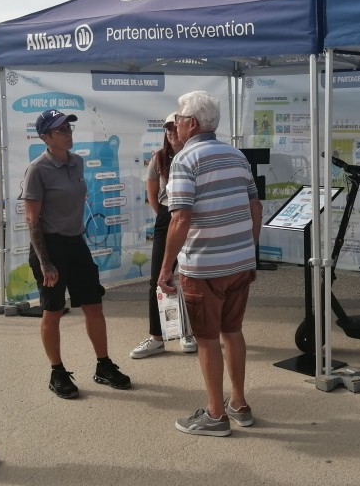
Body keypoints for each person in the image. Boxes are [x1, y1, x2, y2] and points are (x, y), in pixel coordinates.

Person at [157, 90, 262, 437]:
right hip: (240, 262)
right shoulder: (236, 155)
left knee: (206, 339)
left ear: (191, 123)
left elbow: (180, 218)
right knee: (233, 331)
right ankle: (239, 403)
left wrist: (165, 268)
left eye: (177, 119)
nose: (175, 125)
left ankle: (216, 415)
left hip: (204, 267)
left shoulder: (185, 160)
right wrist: (249, 250)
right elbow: (255, 207)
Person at [23, 108, 131, 399]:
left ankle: (103, 365)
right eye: (60, 130)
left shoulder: (78, 162)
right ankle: (57, 371)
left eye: (69, 128)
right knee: (53, 310)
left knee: (93, 306)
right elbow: (32, 219)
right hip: (49, 247)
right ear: (45, 137)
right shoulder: (37, 169)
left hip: (76, 243)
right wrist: (45, 262)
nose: (68, 133)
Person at [129, 113, 197, 359]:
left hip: (192, 217)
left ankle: (188, 332)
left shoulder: (194, 154)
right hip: (168, 217)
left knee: (190, 278)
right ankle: (156, 338)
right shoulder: (159, 158)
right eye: (167, 129)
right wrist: (166, 217)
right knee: (158, 277)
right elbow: (152, 194)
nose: (171, 133)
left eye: (174, 128)